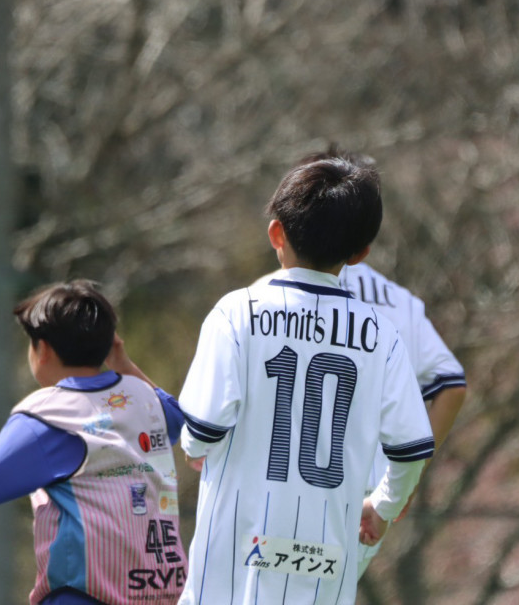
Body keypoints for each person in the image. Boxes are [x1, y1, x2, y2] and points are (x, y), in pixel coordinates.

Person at [177, 158, 434, 604]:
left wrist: (194, 447)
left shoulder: (236, 313)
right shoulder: (382, 334)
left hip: (230, 568)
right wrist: (383, 506)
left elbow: (203, 430)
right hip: (321, 569)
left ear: (277, 233)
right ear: (360, 254)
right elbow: (411, 449)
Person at [0, 280, 188, 605]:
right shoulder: (143, 398)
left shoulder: (49, 415)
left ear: (43, 350)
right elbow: (181, 423)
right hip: (160, 588)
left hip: (85, 593)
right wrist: (123, 363)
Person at [268, 145, 467, 576]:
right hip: (363, 497)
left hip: (281, 490)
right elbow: (451, 385)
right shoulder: (399, 301)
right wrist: (401, 484)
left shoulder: (266, 299)